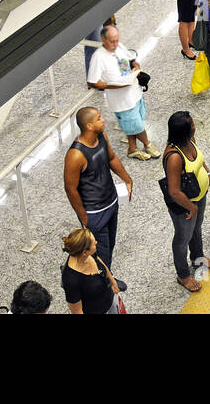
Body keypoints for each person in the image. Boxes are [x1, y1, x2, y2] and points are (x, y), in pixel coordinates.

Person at [63, 106, 132, 289]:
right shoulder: (75, 155)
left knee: (109, 246)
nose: (103, 120)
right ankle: (103, 283)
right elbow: (70, 189)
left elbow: (111, 158)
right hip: (94, 211)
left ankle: (107, 277)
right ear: (89, 126)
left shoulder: (102, 137)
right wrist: (83, 216)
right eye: (99, 118)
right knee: (99, 251)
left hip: (111, 201)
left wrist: (127, 179)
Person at [163, 111, 210, 292]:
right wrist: (191, 207)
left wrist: (208, 173)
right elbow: (174, 191)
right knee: (182, 237)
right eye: (192, 124)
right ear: (183, 131)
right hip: (185, 205)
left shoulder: (191, 140)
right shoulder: (174, 157)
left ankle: (198, 258)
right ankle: (183, 275)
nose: (195, 125)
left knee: (197, 228)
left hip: (198, 197)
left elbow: (200, 160)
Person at [87, 21, 156, 160]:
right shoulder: (98, 57)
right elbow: (93, 81)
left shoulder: (119, 47)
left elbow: (130, 61)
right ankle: (148, 144)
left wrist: (136, 66)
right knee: (137, 125)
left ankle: (132, 148)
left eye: (117, 40)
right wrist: (113, 86)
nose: (115, 44)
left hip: (134, 93)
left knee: (133, 123)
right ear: (103, 40)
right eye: (112, 42)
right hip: (121, 101)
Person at [61, 227, 122, 315]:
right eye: (94, 243)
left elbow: (99, 261)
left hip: (109, 300)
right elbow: (77, 311)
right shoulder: (71, 280)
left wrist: (112, 281)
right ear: (85, 252)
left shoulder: (87, 254)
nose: (96, 242)